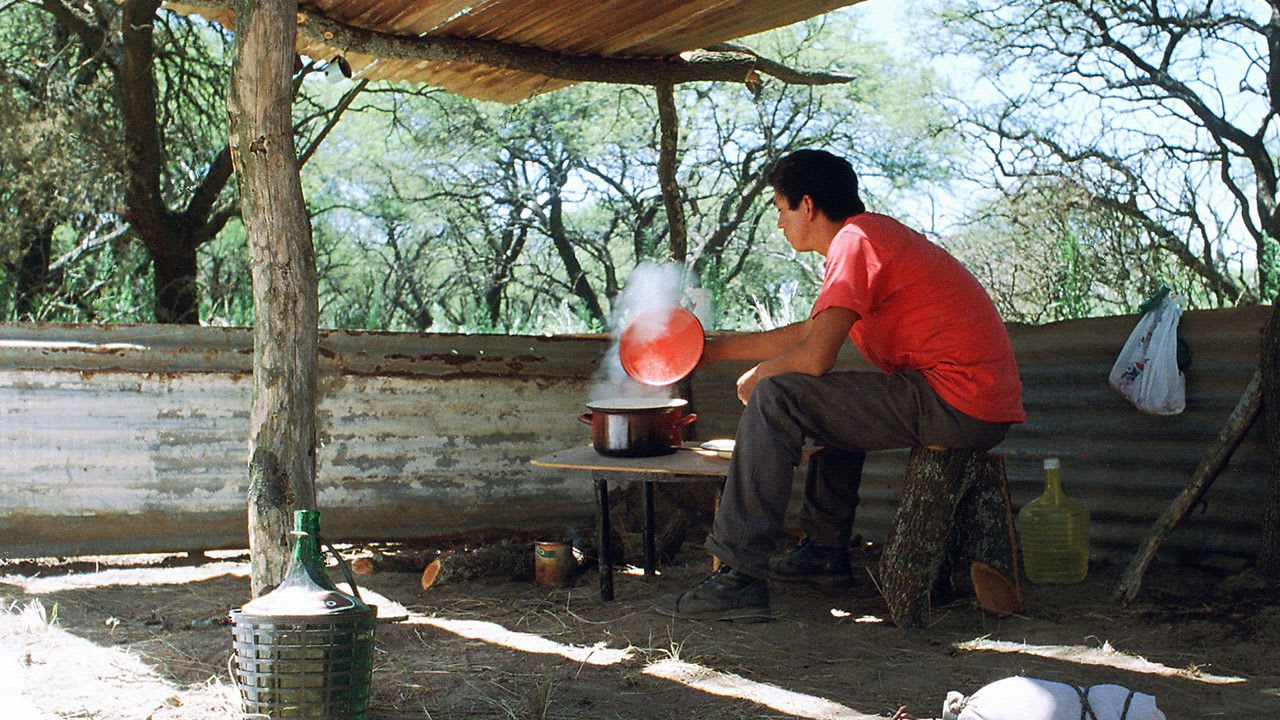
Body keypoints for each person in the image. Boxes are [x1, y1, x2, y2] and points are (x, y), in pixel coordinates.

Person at [655, 149, 1026, 621]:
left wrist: (759, 378)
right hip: (966, 398)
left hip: (960, 400)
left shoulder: (858, 241)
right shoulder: (868, 239)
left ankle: (739, 574)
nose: (779, 223)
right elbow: (813, 332)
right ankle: (824, 553)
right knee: (825, 398)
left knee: (778, 397)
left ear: (807, 206)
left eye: (779, 209)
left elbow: (812, 357)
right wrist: (713, 349)